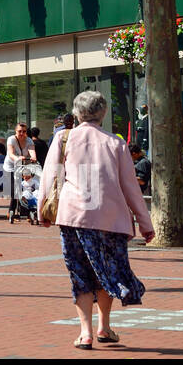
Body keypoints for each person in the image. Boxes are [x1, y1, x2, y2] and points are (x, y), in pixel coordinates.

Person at [38, 90, 154, 350]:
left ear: (77, 113)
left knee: (79, 273)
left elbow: (49, 176)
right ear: (103, 113)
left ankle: (85, 333)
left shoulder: (64, 138)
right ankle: (104, 326)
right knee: (107, 270)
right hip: (110, 217)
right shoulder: (116, 143)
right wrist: (145, 223)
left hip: (73, 215)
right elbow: (130, 187)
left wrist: (43, 210)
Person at [3, 123, 37, 201]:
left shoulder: (29, 140)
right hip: (10, 167)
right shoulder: (11, 139)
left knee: (25, 188)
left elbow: (32, 151)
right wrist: (18, 158)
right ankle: (11, 210)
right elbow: (11, 154)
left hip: (22, 167)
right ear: (16, 131)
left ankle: (23, 207)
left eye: (24, 131)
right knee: (13, 190)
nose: (22, 133)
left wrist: (33, 157)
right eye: (19, 131)